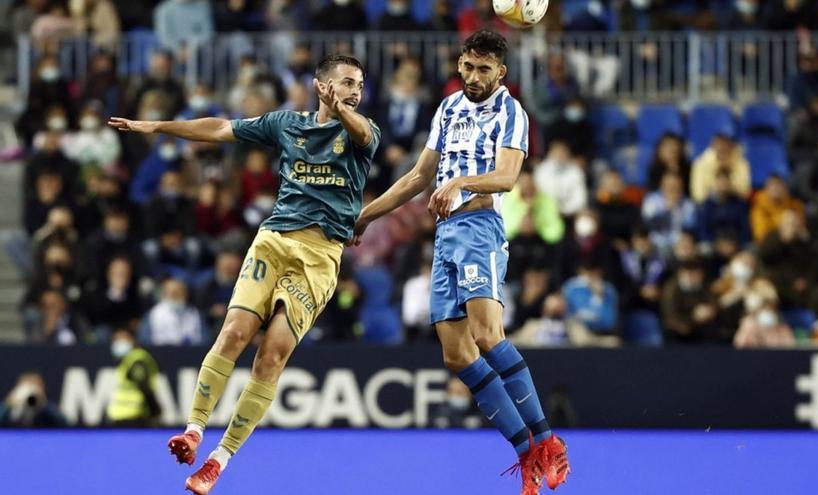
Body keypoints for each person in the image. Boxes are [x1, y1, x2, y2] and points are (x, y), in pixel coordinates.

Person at [109, 54, 380, 495]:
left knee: (271, 355)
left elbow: (363, 132)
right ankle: (194, 431)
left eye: (359, 84)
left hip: (318, 256)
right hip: (273, 240)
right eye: (347, 82)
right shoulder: (286, 124)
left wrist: (346, 109)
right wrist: (159, 127)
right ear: (321, 85)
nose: (355, 90)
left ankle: (219, 460)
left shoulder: (361, 132)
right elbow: (221, 128)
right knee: (235, 331)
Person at [352, 31, 569, 495]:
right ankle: (525, 454)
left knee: (489, 337)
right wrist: (366, 215)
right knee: (456, 355)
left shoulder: (512, 113)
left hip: (480, 228)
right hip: (446, 235)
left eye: (483, 69)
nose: (472, 76)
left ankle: (548, 441)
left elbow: (508, 177)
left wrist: (461, 183)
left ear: (501, 72)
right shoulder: (449, 108)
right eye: (467, 67)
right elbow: (418, 176)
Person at [106, 328, 161, 426]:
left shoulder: (137, 359)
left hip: (135, 416)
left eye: (122, 339)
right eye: (115, 340)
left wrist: (154, 409)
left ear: (132, 340)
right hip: (121, 416)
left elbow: (144, 385)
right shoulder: (125, 360)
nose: (118, 343)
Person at [0, 372, 67, 428]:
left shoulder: (45, 410)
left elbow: (64, 423)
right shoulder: (10, 411)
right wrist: (7, 404)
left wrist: (43, 403)